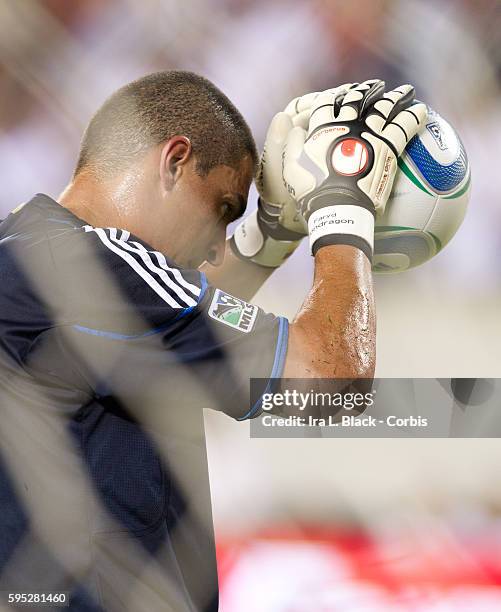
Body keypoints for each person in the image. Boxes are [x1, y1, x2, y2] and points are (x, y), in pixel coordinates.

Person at [0, 71, 425, 611]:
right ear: (174, 161)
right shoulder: (98, 267)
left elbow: (171, 321)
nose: (219, 250)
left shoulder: (30, 251)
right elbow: (329, 376)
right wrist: (343, 207)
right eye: (224, 208)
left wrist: (272, 234)